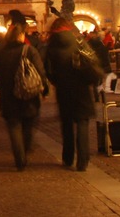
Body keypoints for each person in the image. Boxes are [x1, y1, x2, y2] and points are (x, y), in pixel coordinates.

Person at [44, 17, 103, 172]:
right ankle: (82, 160)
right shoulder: (78, 41)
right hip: (81, 87)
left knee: (67, 124)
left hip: (64, 89)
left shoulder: (51, 45)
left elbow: (48, 69)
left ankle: (68, 157)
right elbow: (93, 59)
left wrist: (56, 81)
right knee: (82, 122)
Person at [0, 22, 47, 171]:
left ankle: (19, 158)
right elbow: (40, 71)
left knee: (14, 125)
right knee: (28, 124)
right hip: (28, 93)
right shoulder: (28, 50)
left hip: (8, 94)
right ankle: (25, 149)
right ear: (21, 35)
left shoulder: (2, 53)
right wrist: (44, 89)